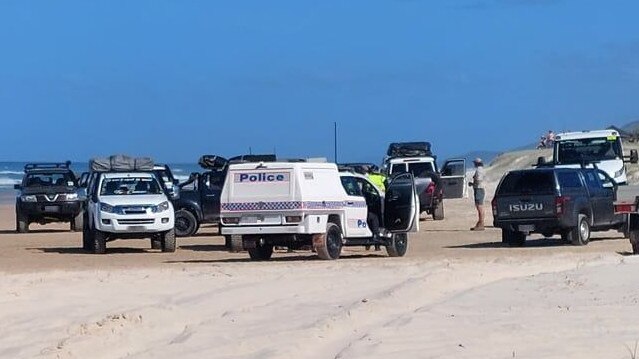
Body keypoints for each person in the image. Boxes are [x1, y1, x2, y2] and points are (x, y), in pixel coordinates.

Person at [468, 158, 486, 231]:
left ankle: (481, 223)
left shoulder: (479, 170)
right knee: (479, 206)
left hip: (479, 189)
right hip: (479, 188)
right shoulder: (481, 169)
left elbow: (478, 180)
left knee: (479, 206)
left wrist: (473, 184)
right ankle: (480, 223)